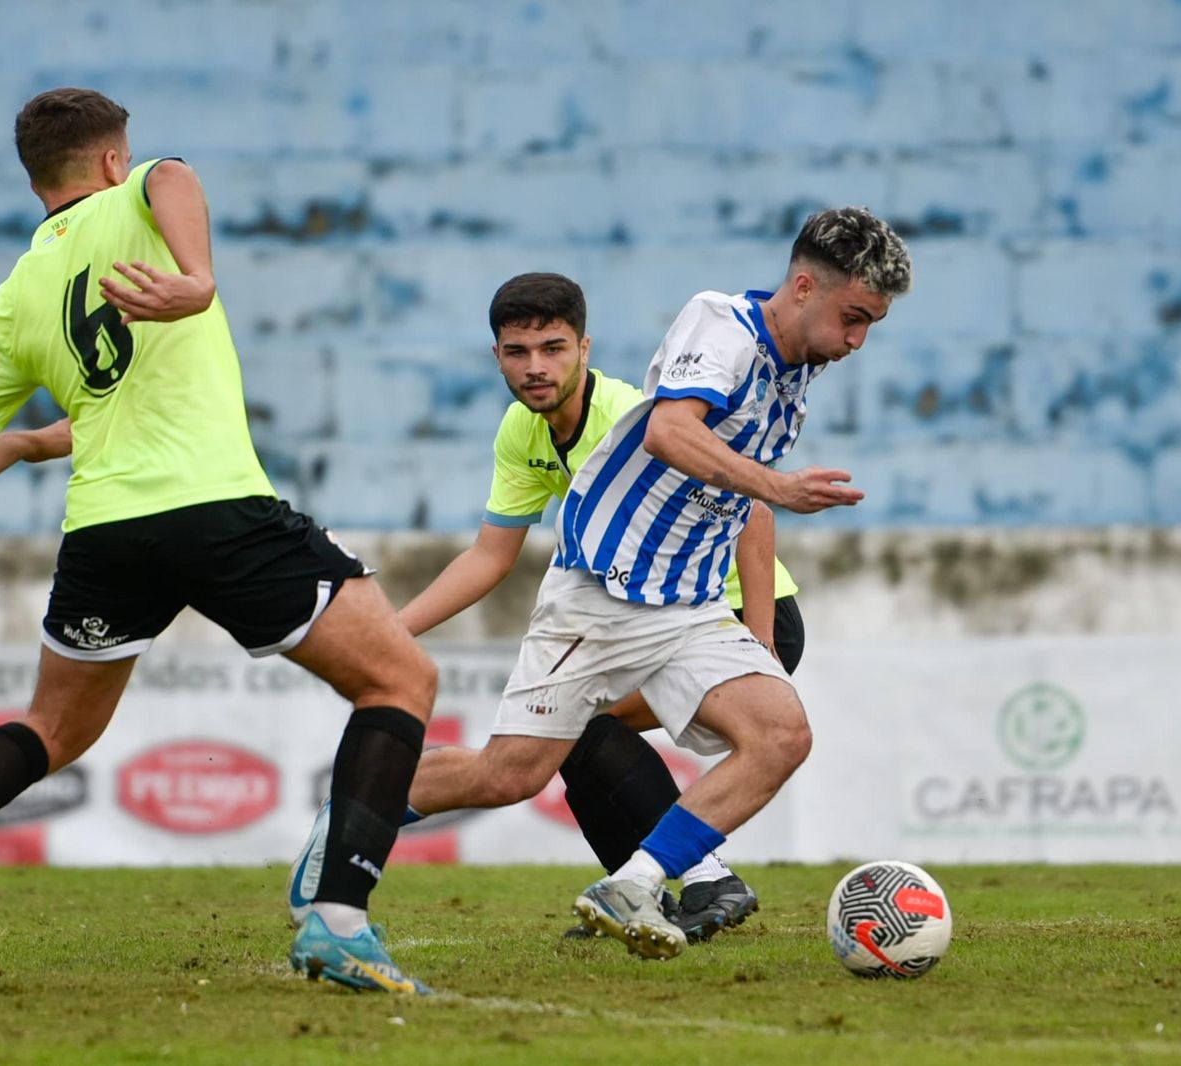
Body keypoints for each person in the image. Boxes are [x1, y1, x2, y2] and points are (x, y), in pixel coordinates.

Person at [0, 88, 438, 994]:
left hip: (105, 528)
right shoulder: (146, 190)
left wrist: (31, 439)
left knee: (53, 727)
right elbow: (174, 177)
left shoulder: (17, 294)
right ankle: (339, 919)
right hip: (215, 506)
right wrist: (198, 279)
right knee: (401, 679)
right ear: (111, 160)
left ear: (36, 179)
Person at [350, 207, 912, 960]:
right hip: (613, 601)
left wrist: (756, 638)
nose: (856, 341)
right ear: (805, 286)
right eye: (854, 319)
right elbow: (502, 547)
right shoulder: (710, 334)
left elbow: (745, 506)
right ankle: (355, 819)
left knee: (769, 732)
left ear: (582, 348)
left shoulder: (784, 367)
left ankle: (653, 881)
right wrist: (390, 634)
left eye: (552, 348)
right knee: (523, 766)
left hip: (727, 603)